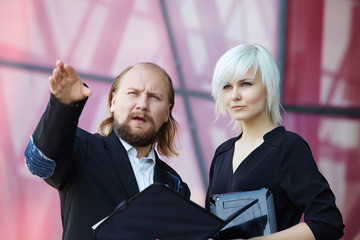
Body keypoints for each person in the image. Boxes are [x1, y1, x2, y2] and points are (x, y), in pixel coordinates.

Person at [24, 60, 191, 240]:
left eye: (154, 97)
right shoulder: (83, 149)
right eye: (133, 93)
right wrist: (63, 106)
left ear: (167, 112)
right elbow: (40, 162)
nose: (142, 104)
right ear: (113, 101)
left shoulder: (175, 185)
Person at [205, 44, 344, 240]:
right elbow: (209, 228)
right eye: (227, 86)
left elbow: (327, 222)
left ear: (268, 88)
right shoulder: (222, 153)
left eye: (246, 84)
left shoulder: (288, 148)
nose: (235, 95)